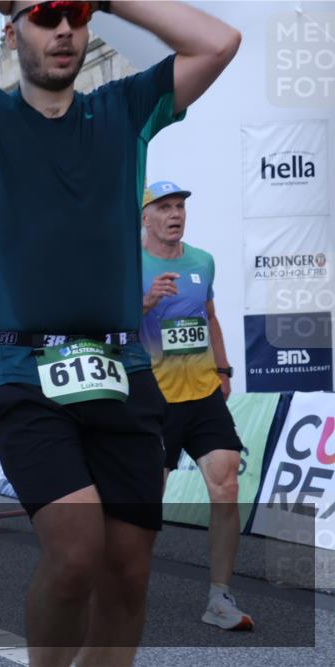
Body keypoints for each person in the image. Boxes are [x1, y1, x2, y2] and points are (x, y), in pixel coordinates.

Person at [0, 1, 240, 664]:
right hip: (20, 370)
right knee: (76, 552)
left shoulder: (123, 109)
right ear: (12, 31)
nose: (63, 29)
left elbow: (218, 42)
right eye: (45, 15)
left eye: (75, 13)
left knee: (129, 566)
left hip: (122, 369)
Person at [139, 181, 251, 631]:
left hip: (203, 393)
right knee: (145, 502)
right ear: (144, 217)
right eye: (164, 207)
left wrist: (222, 369)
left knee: (226, 483)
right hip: (153, 398)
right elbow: (109, 328)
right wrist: (143, 301)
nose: (175, 214)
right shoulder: (127, 265)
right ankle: (126, 586)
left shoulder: (202, 261)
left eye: (180, 206)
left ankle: (219, 596)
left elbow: (208, 316)